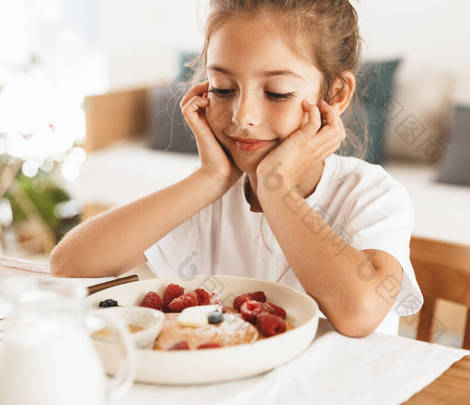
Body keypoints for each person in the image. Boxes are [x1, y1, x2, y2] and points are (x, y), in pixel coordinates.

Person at [50, 0, 423, 337]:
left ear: (336, 95)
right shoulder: (211, 194)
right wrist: (210, 178)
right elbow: (70, 265)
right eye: (223, 88)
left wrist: (276, 187)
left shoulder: (371, 194)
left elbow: (359, 314)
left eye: (277, 92)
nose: (243, 117)